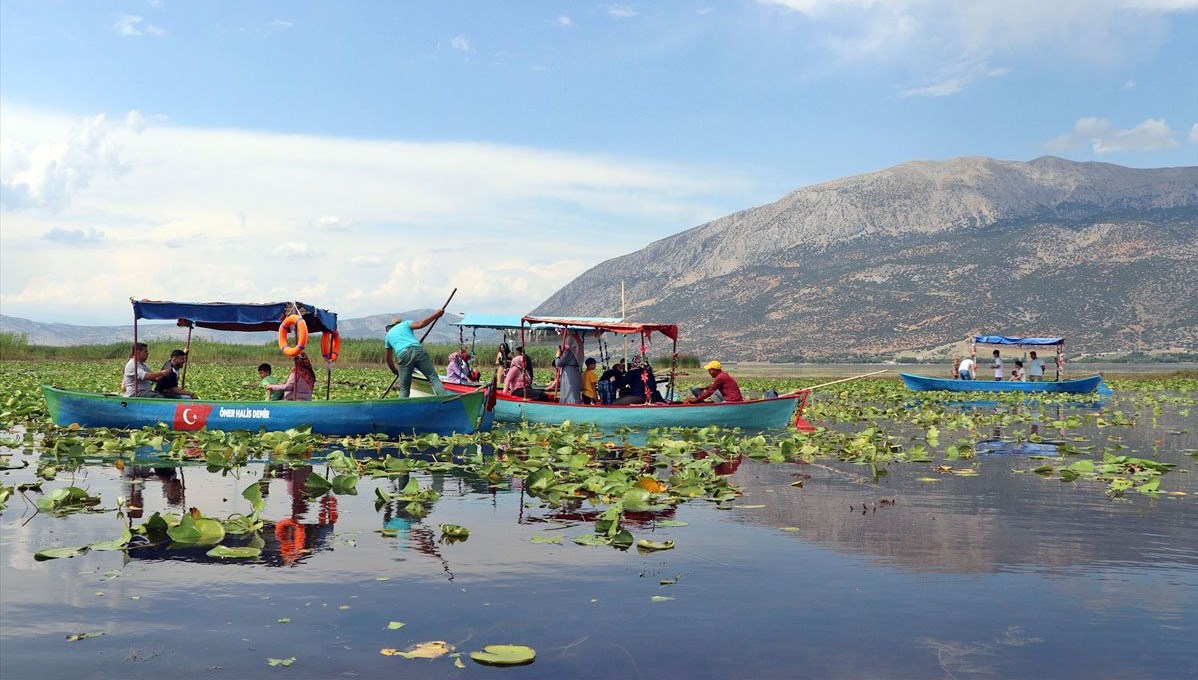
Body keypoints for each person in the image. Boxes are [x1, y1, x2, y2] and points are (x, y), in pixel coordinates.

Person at [384, 311, 447, 398]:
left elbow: (388, 359)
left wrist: (395, 371)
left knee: (404, 388)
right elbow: (421, 324)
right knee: (433, 378)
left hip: (403, 355)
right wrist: (437, 314)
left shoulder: (388, 335)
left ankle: (402, 409)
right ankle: (444, 400)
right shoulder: (405, 324)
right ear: (400, 323)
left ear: (392, 326)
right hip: (418, 351)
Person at [554, 330, 584, 404]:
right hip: (574, 372)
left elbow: (559, 363)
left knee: (569, 392)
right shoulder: (577, 348)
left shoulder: (570, 352)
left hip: (569, 373)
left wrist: (557, 356)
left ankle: (569, 405)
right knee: (572, 392)